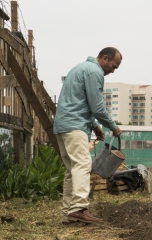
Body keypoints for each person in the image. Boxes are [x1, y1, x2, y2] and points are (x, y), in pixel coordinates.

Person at [54, 47, 123, 224]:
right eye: (113, 66)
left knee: (72, 170)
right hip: (75, 126)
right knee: (83, 164)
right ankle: (79, 208)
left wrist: (94, 126)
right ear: (104, 58)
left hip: (64, 125)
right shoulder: (95, 72)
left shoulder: (79, 68)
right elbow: (97, 106)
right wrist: (112, 127)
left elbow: (79, 102)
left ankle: (68, 214)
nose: (112, 71)